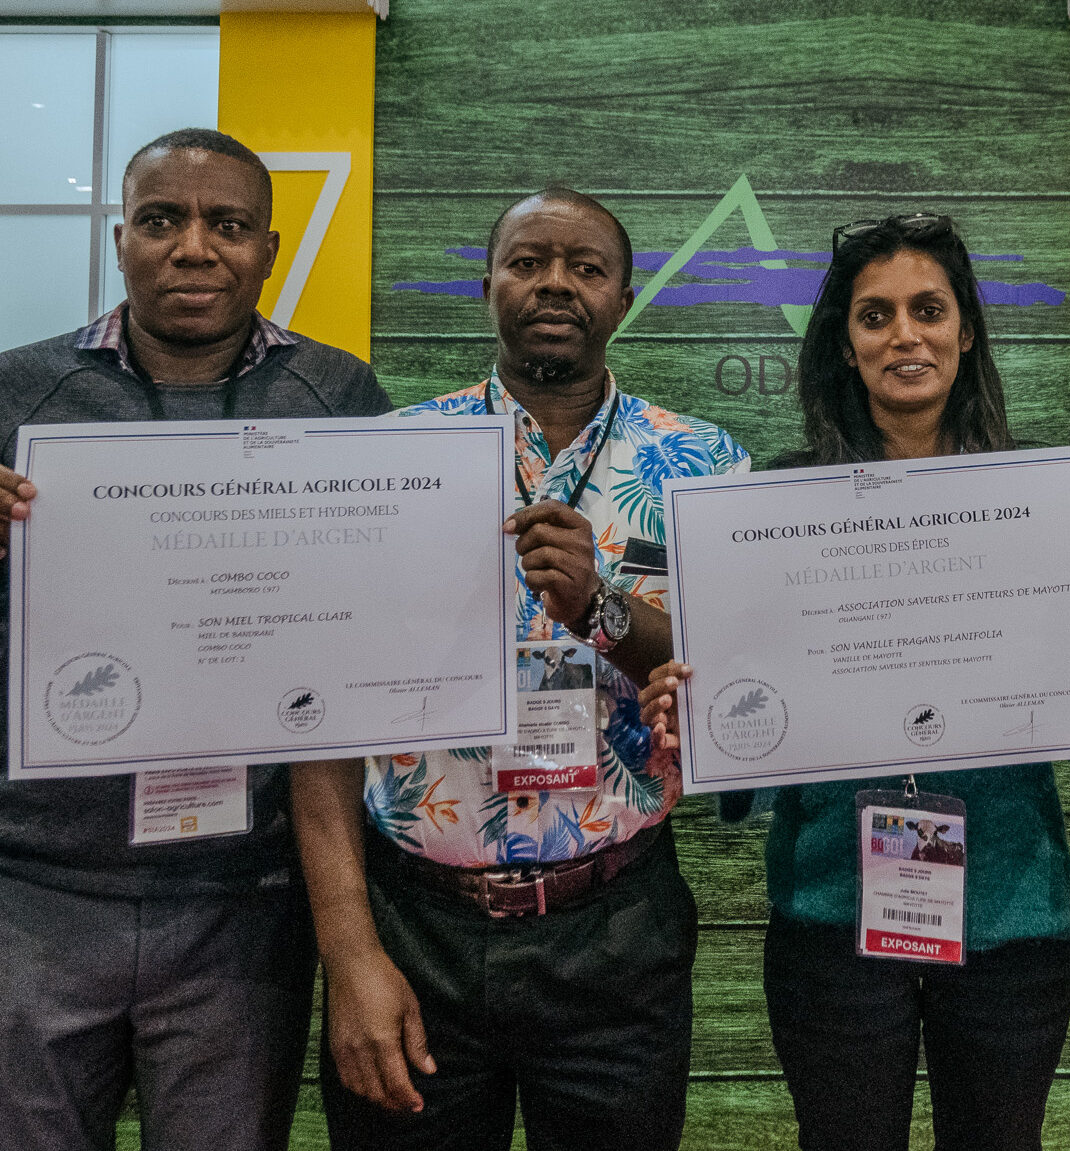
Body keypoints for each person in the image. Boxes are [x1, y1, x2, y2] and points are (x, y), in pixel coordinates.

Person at [0, 129, 390, 1151]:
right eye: (161, 220)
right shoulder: (14, 393)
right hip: (29, 891)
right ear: (121, 237)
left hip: (241, 899)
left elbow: (366, 652)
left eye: (224, 225)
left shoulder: (338, 397)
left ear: (267, 249)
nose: (192, 247)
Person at [637, 212, 1070, 1151]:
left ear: (967, 332)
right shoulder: (775, 506)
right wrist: (702, 713)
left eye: (929, 309)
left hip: (1011, 914)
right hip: (831, 913)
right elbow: (751, 738)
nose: (904, 335)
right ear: (845, 341)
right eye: (875, 316)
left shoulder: (1036, 502)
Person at [290, 187, 749, 1151]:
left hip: (618, 924)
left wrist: (602, 608)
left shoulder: (704, 461)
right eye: (528, 260)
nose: (555, 282)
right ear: (487, 282)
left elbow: (738, 675)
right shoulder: (387, 459)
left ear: (623, 297)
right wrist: (349, 951)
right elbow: (316, 718)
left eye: (586, 267)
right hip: (416, 922)